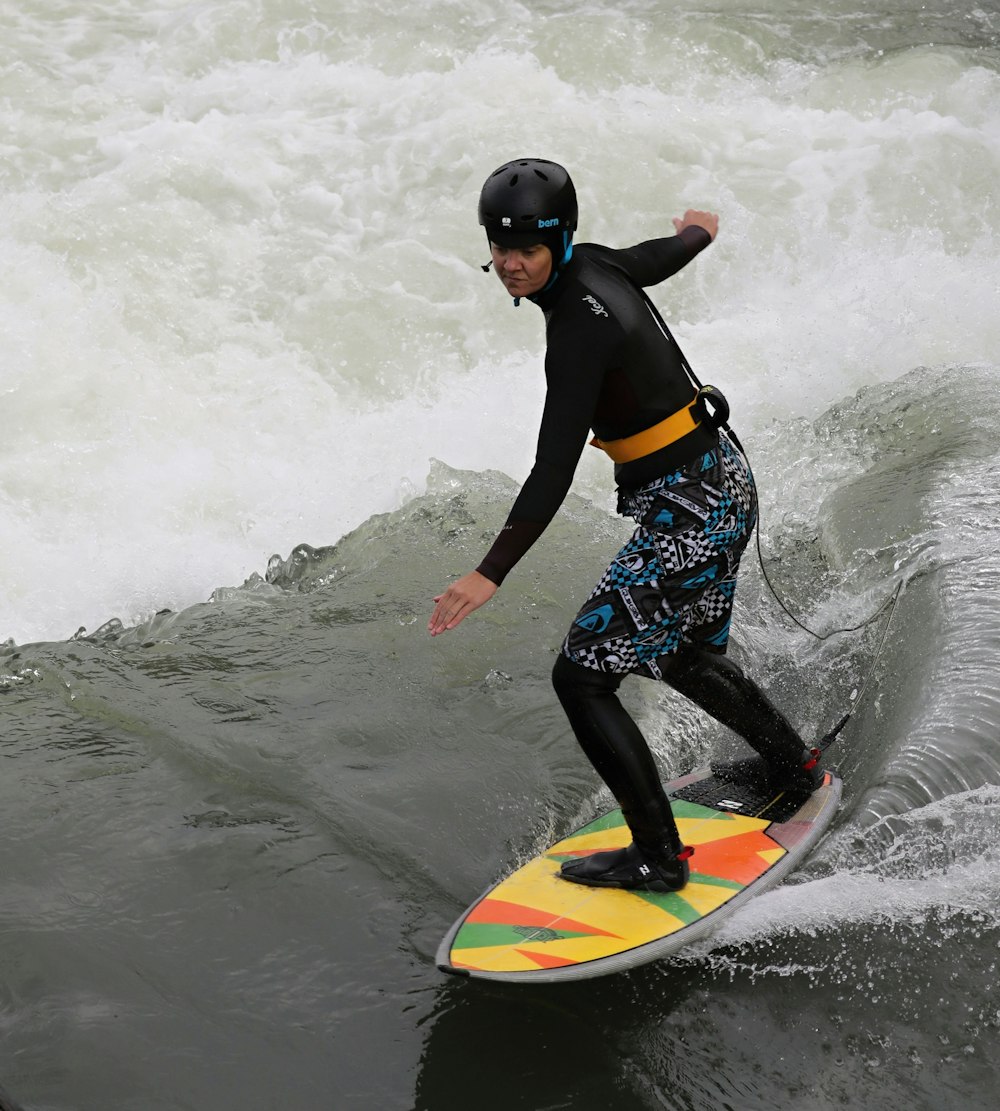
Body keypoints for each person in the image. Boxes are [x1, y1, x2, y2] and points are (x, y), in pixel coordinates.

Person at [428, 158, 819, 894]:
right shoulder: (595, 263)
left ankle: (659, 857)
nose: (512, 264)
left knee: (581, 675)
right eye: (500, 248)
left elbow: (552, 466)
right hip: (724, 485)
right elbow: (655, 258)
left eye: (528, 250)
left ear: (560, 242)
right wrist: (698, 232)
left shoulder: (576, 327)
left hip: (690, 511)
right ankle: (791, 765)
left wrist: (491, 571)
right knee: (679, 654)